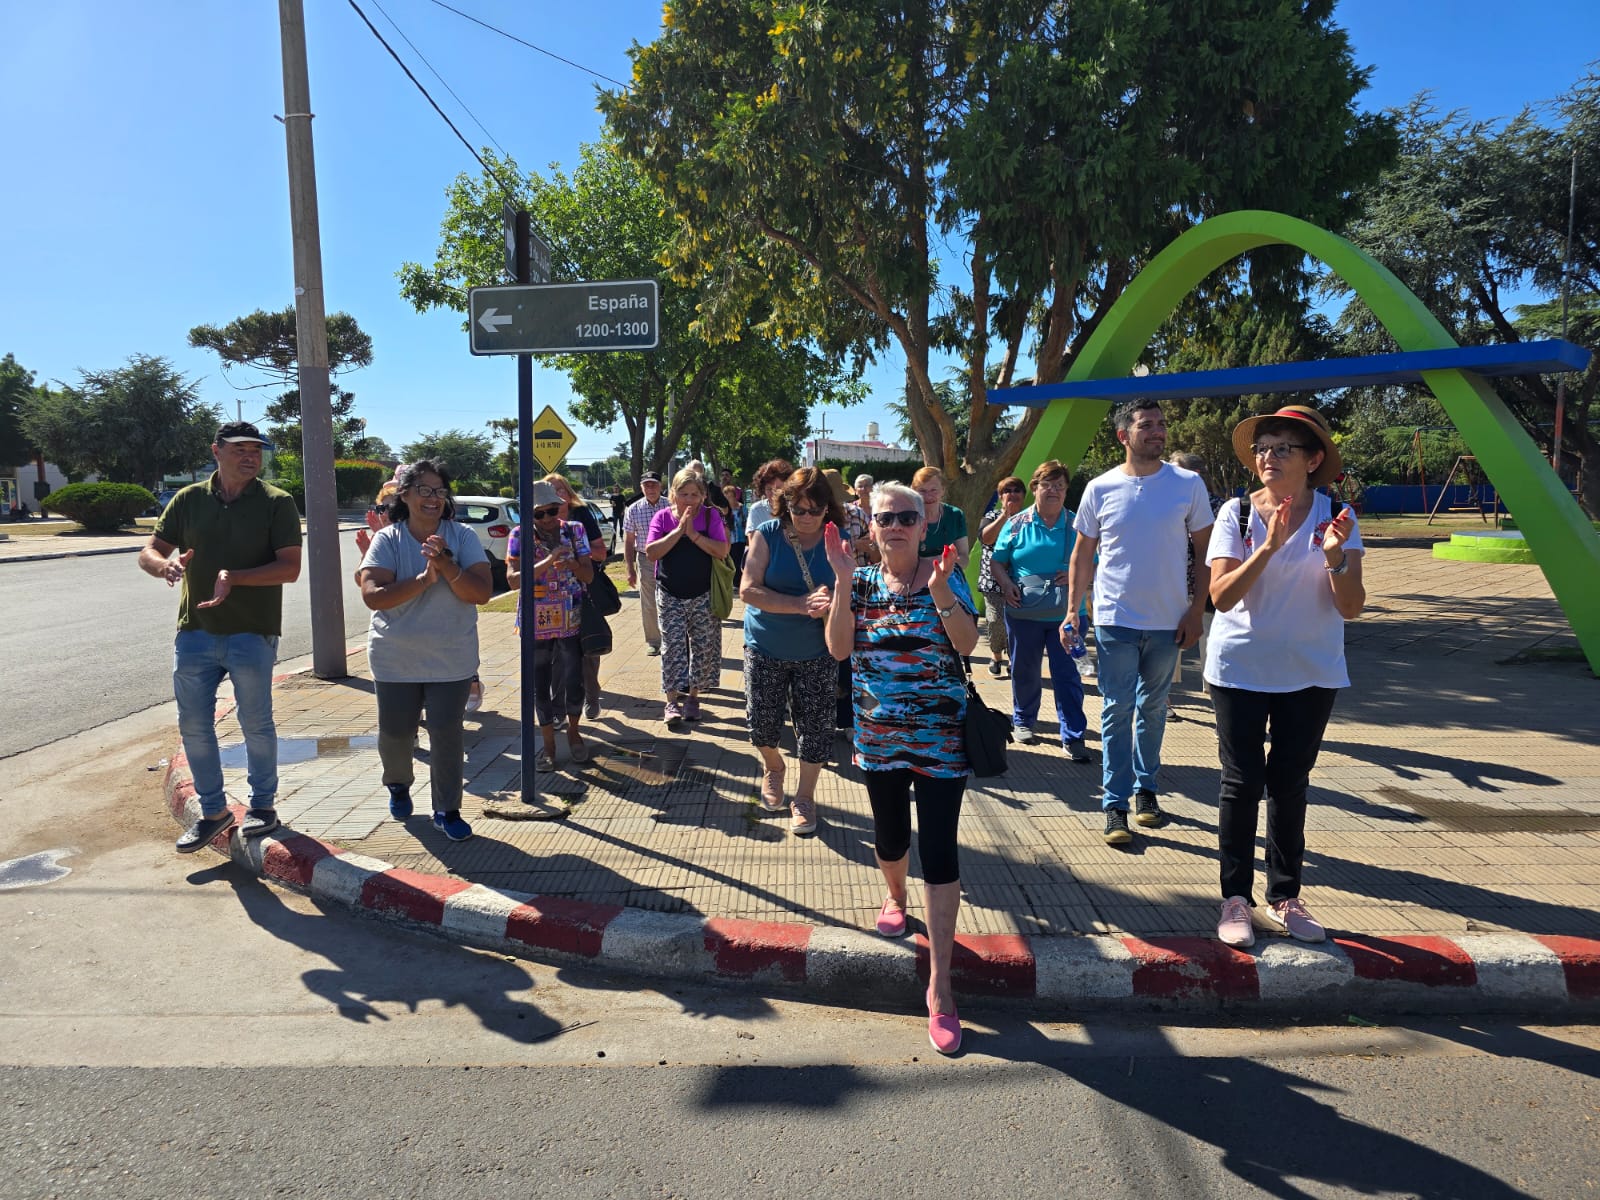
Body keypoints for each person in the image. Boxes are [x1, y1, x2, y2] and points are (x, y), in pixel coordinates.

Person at [824, 483, 979, 1056]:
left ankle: (941, 984)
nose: (895, 526)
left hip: (941, 741)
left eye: (906, 517)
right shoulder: (859, 583)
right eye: (885, 517)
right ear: (871, 525)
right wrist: (841, 581)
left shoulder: (946, 573)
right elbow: (839, 650)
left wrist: (941, 594)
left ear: (923, 525)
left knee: (939, 851)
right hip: (879, 739)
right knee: (891, 839)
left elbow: (966, 644)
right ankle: (895, 898)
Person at [1207, 406, 1365, 948]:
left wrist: (1336, 558)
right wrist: (1269, 548)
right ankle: (1234, 898)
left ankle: (1286, 894)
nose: (1267, 457)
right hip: (1239, 669)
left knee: (1289, 784)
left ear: (1313, 459)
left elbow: (1351, 608)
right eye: (1262, 448)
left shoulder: (1336, 515)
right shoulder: (1235, 513)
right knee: (1241, 781)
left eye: (1281, 448)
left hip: (1312, 672)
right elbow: (1221, 597)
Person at [139, 421, 303, 852]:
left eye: (256, 450)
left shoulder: (276, 502)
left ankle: (263, 807)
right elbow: (149, 550)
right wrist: (165, 567)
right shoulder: (189, 500)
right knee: (193, 726)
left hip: (253, 631)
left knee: (256, 723)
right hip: (195, 632)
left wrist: (237, 578)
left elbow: (290, 567)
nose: (250, 457)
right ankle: (213, 813)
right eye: (240, 449)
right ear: (217, 451)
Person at [1067, 400, 1214, 845]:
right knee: (1116, 709)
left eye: (1161, 424)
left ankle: (1145, 790)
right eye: (1146, 425)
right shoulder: (1099, 488)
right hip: (1115, 619)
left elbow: (1207, 552)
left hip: (1170, 620)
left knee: (1153, 708)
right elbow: (1081, 555)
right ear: (1123, 436)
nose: (1157, 432)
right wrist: (1073, 611)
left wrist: (1196, 610)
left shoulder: (1188, 484)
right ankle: (1114, 805)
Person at [358, 460, 493, 842]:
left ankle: (446, 810)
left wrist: (446, 566)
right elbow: (372, 596)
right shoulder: (388, 540)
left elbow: (480, 593)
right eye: (424, 490)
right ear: (405, 495)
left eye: (439, 491)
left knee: (447, 734)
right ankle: (398, 784)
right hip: (395, 660)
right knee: (397, 736)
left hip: (451, 659)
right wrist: (423, 579)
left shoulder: (462, 536)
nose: (433, 499)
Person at [739, 467, 846, 835]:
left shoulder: (838, 538)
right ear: (785, 506)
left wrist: (833, 598)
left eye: (814, 510)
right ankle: (774, 766)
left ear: (827, 509)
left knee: (816, 729)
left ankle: (804, 798)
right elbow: (749, 590)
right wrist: (801, 604)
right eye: (798, 509)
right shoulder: (767, 535)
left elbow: (851, 592)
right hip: (765, 644)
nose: (806, 517)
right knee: (761, 725)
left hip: (817, 650)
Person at [989, 461, 1091, 761]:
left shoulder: (1077, 524)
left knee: (1068, 675)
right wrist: (1006, 584)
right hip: (1024, 615)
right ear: (1035, 488)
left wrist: (1075, 575)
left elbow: (1095, 564)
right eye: (1048, 485)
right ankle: (1022, 721)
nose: (1055, 491)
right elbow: (998, 561)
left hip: (1068, 616)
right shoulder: (1016, 523)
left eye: (1060, 486)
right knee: (1024, 670)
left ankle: (1073, 736)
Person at [508, 480, 595, 769]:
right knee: (539, 680)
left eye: (551, 511)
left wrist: (570, 565)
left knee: (573, 677)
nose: (546, 519)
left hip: (570, 616)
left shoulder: (574, 530)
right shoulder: (519, 535)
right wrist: (547, 561)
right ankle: (547, 743)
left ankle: (574, 732)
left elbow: (589, 576)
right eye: (539, 514)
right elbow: (512, 579)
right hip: (536, 620)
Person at [646, 467, 730, 727]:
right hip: (670, 594)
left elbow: (722, 550)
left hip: (703, 594)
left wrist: (693, 534)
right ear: (673, 495)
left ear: (703, 496)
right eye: (683, 494)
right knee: (672, 648)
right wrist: (679, 531)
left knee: (702, 648)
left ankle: (693, 698)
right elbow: (651, 552)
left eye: (695, 494)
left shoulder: (710, 517)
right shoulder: (661, 517)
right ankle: (671, 701)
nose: (689, 500)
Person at [545, 472, 609, 720]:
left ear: (568, 493)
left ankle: (591, 695)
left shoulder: (580, 517)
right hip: (549, 598)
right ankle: (559, 709)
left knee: (586, 651)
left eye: (560, 489)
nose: (556, 495)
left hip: (582, 590)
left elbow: (601, 553)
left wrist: (574, 554)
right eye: (550, 491)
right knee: (556, 656)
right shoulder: (536, 522)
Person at [1167, 451, 1225, 714]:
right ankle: (1162, 701)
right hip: (1172, 586)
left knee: (1213, 649)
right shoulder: (1166, 505)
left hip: (1211, 590)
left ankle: (1219, 708)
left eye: (1174, 470)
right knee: (1166, 648)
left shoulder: (1221, 508)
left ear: (1196, 476)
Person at [977, 475, 1027, 677]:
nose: (1012, 495)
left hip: (1021, 583)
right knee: (996, 621)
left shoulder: (1030, 518)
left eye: (1016, 490)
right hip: (993, 582)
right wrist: (1005, 516)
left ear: (1024, 495)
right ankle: (996, 656)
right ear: (1000, 496)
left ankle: (1014, 659)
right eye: (1007, 491)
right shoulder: (991, 516)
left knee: (1018, 625)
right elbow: (986, 538)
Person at [623, 472, 671, 656]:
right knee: (649, 602)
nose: (650, 489)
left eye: (654, 485)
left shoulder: (671, 505)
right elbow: (628, 541)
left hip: (669, 558)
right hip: (645, 559)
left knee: (672, 599)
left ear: (660, 486)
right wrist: (629, 568)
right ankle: (653, 641)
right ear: (641, 488)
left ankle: (673, 638)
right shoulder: (633, 509)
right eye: (646, 485)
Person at [913, 466, 971, 564]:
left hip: (948, 574)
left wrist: (939, 563)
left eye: (934, 490)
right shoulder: (907, 516)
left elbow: (964, 558)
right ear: (914, 491)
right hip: (914, 575)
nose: (928, 496)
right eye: (922, 491)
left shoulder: (955, 515)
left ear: (943, 490)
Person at [746, 458, 794, 535]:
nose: (774, 494)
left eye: (779, 489)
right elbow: (753, 542)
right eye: (769, 489)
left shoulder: (797, 509)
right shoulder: (757, 510)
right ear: (763, 490)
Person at [725, 485, 749, 590]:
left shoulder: (742, 508)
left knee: (738, 560)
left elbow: (746, 523)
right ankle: (730, 581)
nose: (728, 499)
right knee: (729, 560)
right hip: (728, 539)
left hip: (740, 539)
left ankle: (737, 582)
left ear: (735, 496)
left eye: (730, 496)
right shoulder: (724, 510)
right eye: (726, 496)